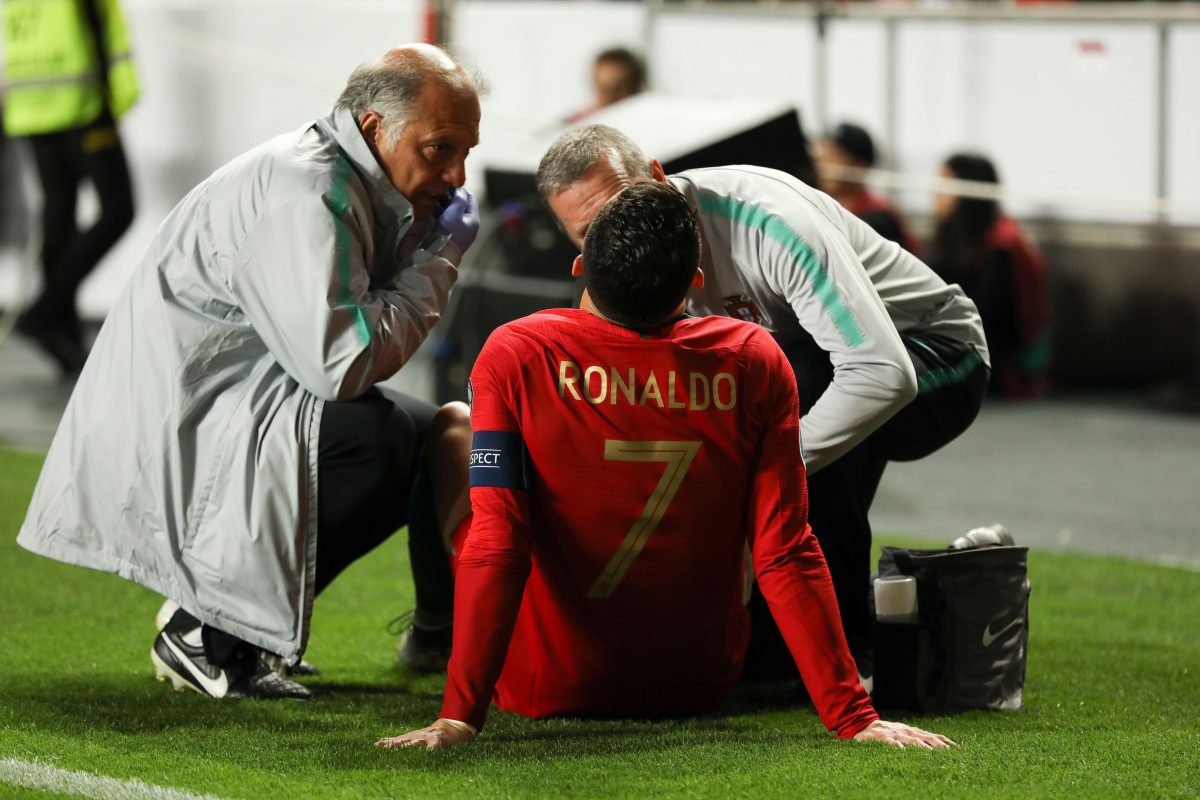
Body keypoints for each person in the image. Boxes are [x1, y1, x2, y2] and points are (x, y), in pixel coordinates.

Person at [377, 182, 955, 750]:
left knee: (453, 428)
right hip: (700, 682)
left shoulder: (518, 350)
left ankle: (433, 626)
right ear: (695, 282)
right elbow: (785, 549)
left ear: (581, 266)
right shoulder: (753, 356)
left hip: (542, 682)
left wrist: (458, 717)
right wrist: (853, 715)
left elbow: (499, 542)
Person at [17, 44, 482, 700]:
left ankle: (422, 633)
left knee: (429, 435)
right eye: (440, 149)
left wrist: (423, 240)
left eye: (466, 152)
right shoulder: (309, 190)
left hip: (231, 395)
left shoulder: (345, 176)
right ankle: (208, 630)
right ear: (375, 126)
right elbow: (344, 365)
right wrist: (439, 259)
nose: (457, 174)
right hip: (181, 419)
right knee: (376, 442)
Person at [526, 124, 990, 688]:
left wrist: (759, 470)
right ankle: (797, 636)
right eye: (592, 233)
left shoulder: (770, 224)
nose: (620, 236)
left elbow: (881, 373)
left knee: (794, 408)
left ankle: (844, 654)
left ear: (656, 176)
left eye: (622, 207)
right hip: (818, 362)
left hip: (937, 352)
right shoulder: (616, 266)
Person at [3, 0, 138, 374]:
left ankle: (63, 335)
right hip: (79, 101)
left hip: (31, 102)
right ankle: (46, 312)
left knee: (59, 211)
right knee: (119, 208)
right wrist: (116, 93)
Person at [931, 153, 1050, 398]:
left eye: (946, 182)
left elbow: (988, 319)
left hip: (1002, 363)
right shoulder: (958, 239)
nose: (935, 192)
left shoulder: (1002, 246)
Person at [815, 122, 921, 256]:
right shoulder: (823, 210)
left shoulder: (877, 218)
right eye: (821, 157)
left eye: (834, 156)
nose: (822, 165)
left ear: (860, 166)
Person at [565, 46, 646, 124]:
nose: (608, 97)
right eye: (602, 88)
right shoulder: (578, 121)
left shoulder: (643, 116)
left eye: (617, 89)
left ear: (636, 88)